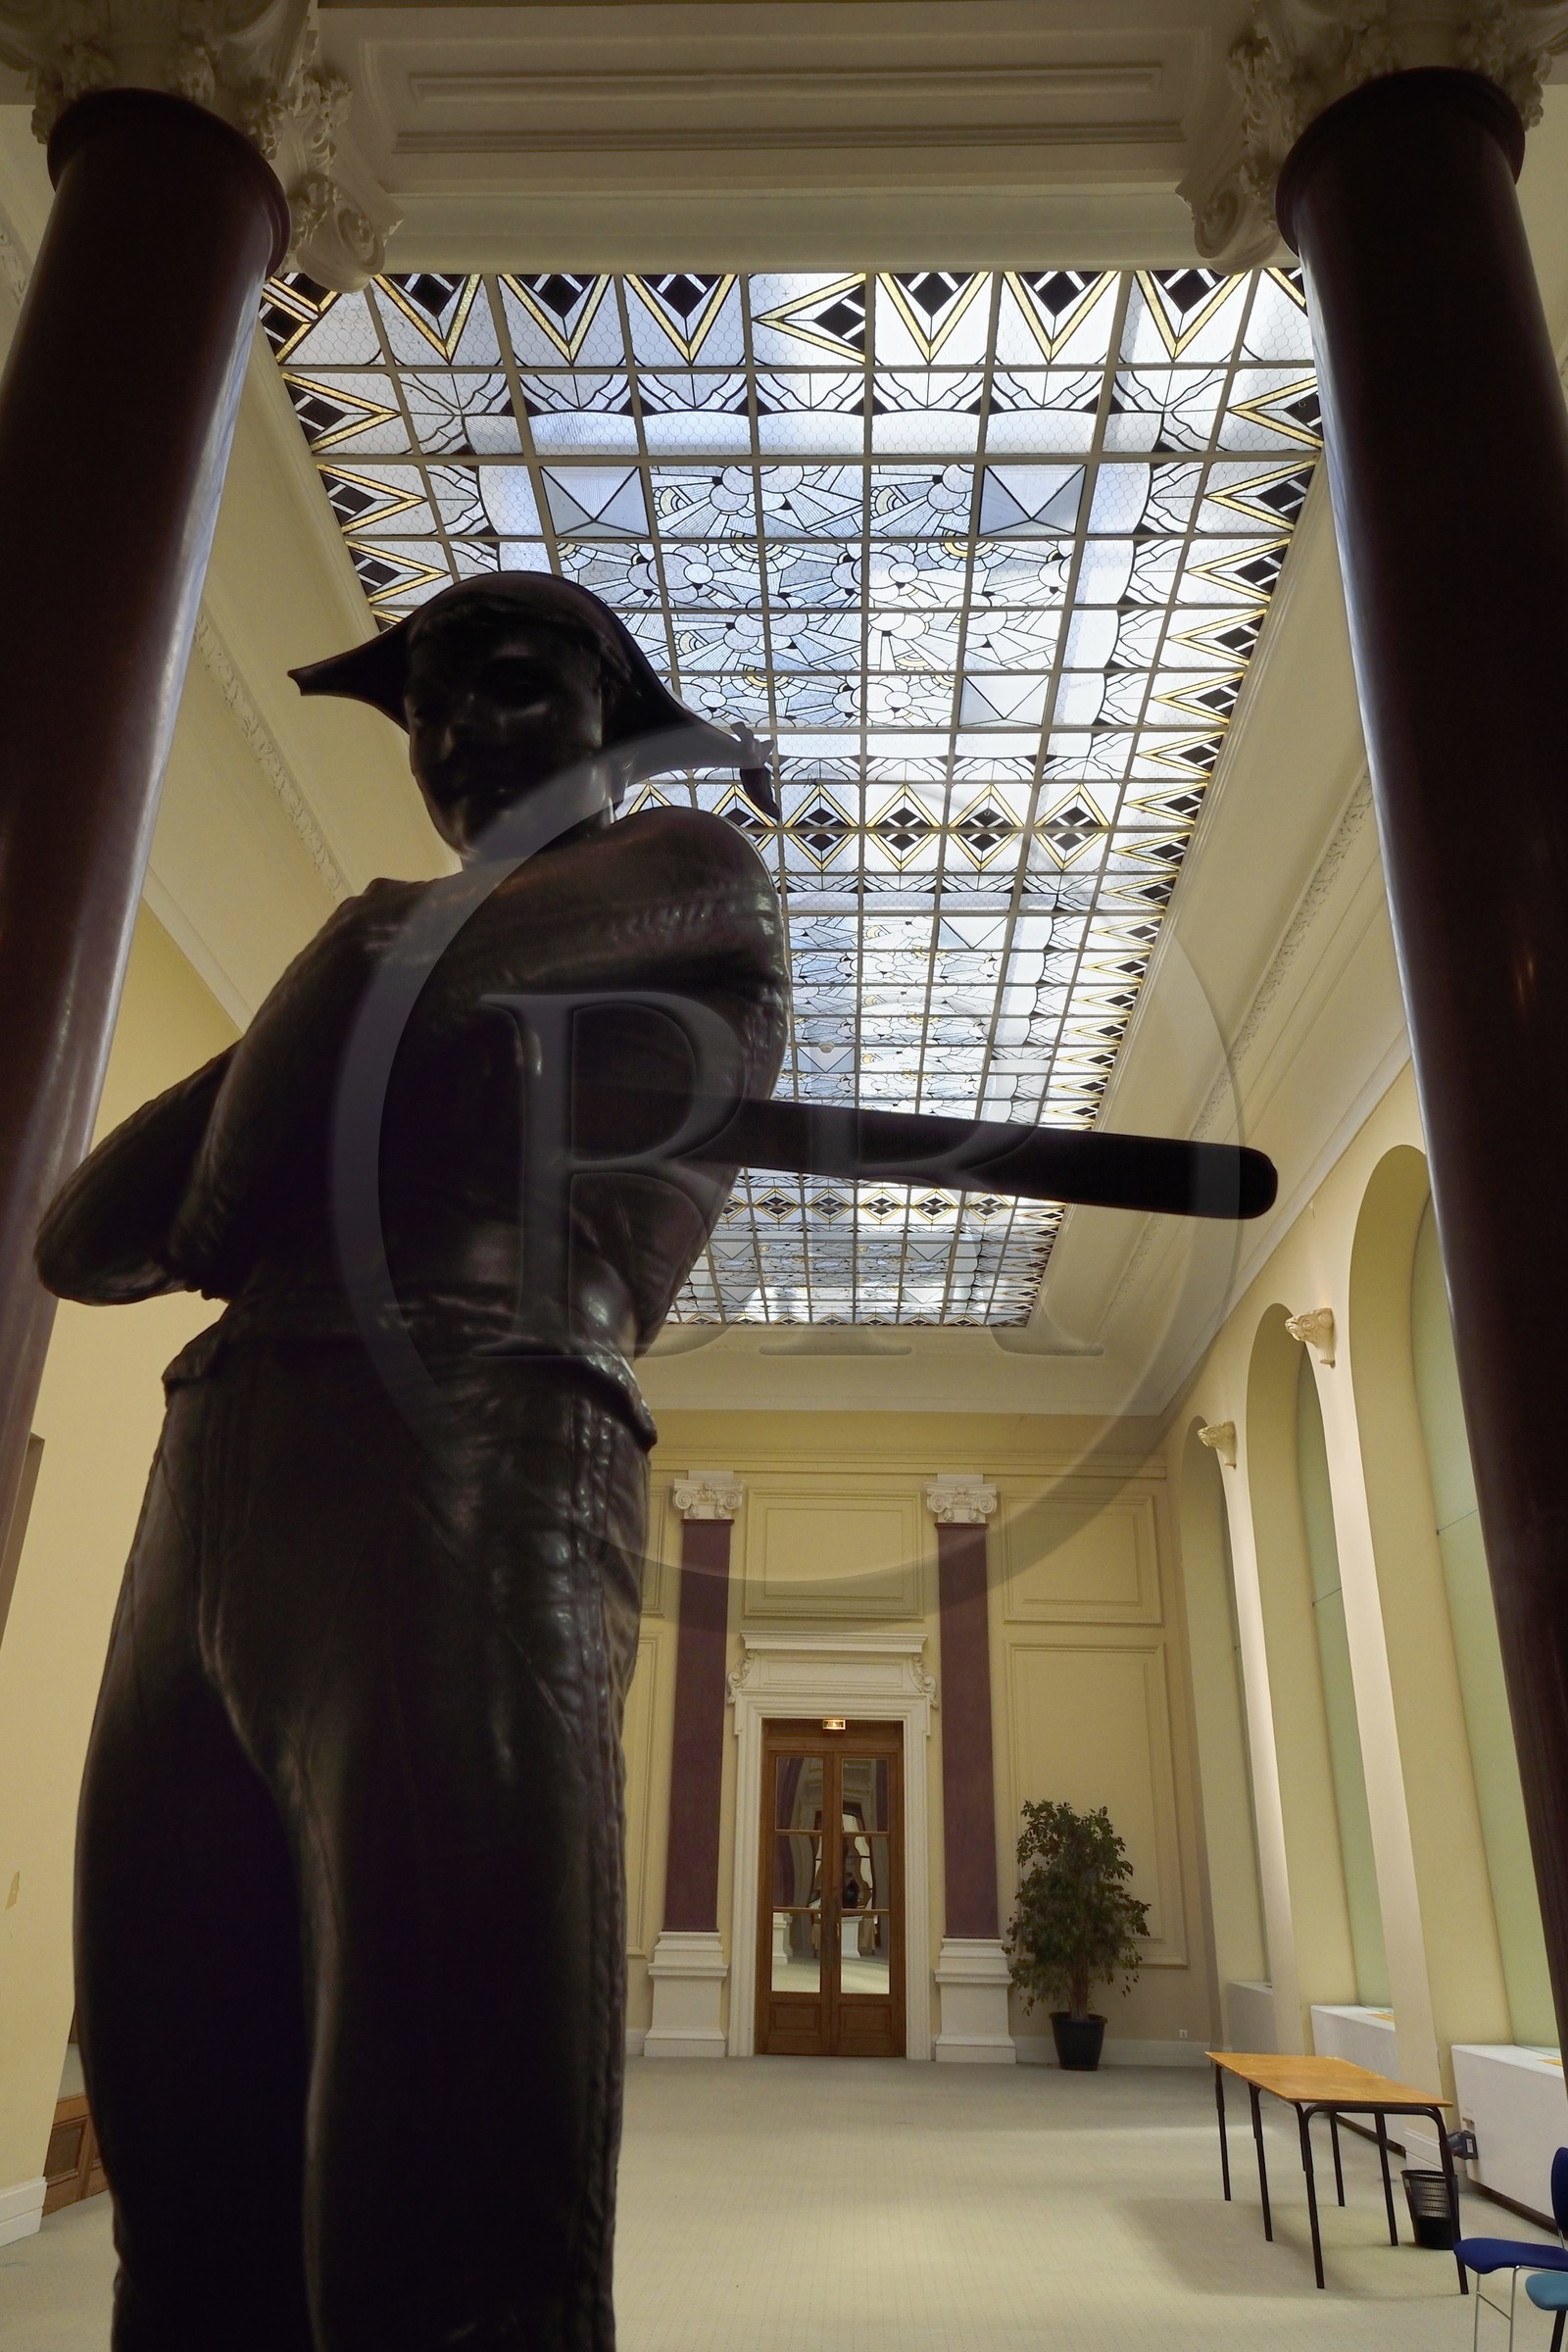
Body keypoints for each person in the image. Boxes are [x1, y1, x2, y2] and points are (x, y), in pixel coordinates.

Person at [37, 573, 790, 2352]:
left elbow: (379, 959)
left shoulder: (690, 869)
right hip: (218, 1474)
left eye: (511, 688)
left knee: (448, 2181)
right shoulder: (422, 952)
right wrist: (266, 1123)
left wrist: (242, 1189)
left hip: (474, 1440)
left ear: (618, 714)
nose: (454, 737)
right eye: (426, 709)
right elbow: (84, 1230)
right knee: (185, 2141)